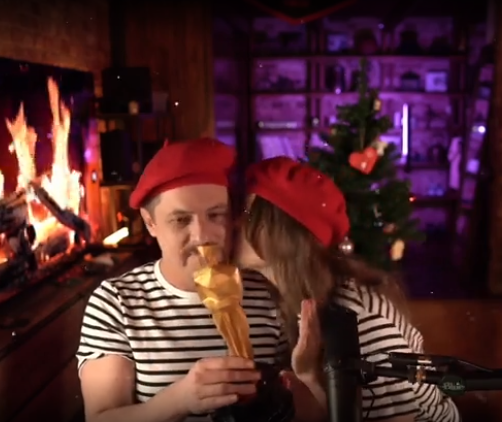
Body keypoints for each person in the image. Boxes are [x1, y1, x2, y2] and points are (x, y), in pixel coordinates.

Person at [76, 138, 288, 422]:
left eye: (216, 215)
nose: (203, 235)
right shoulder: (116, 302)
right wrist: (180, 400)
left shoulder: (267, 294)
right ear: (150, 223)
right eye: (181, 220)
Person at [235, 156, 461, 422]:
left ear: (285, 232)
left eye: (247, 214)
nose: (233, 223)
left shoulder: (360, 321)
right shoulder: (277, 296)